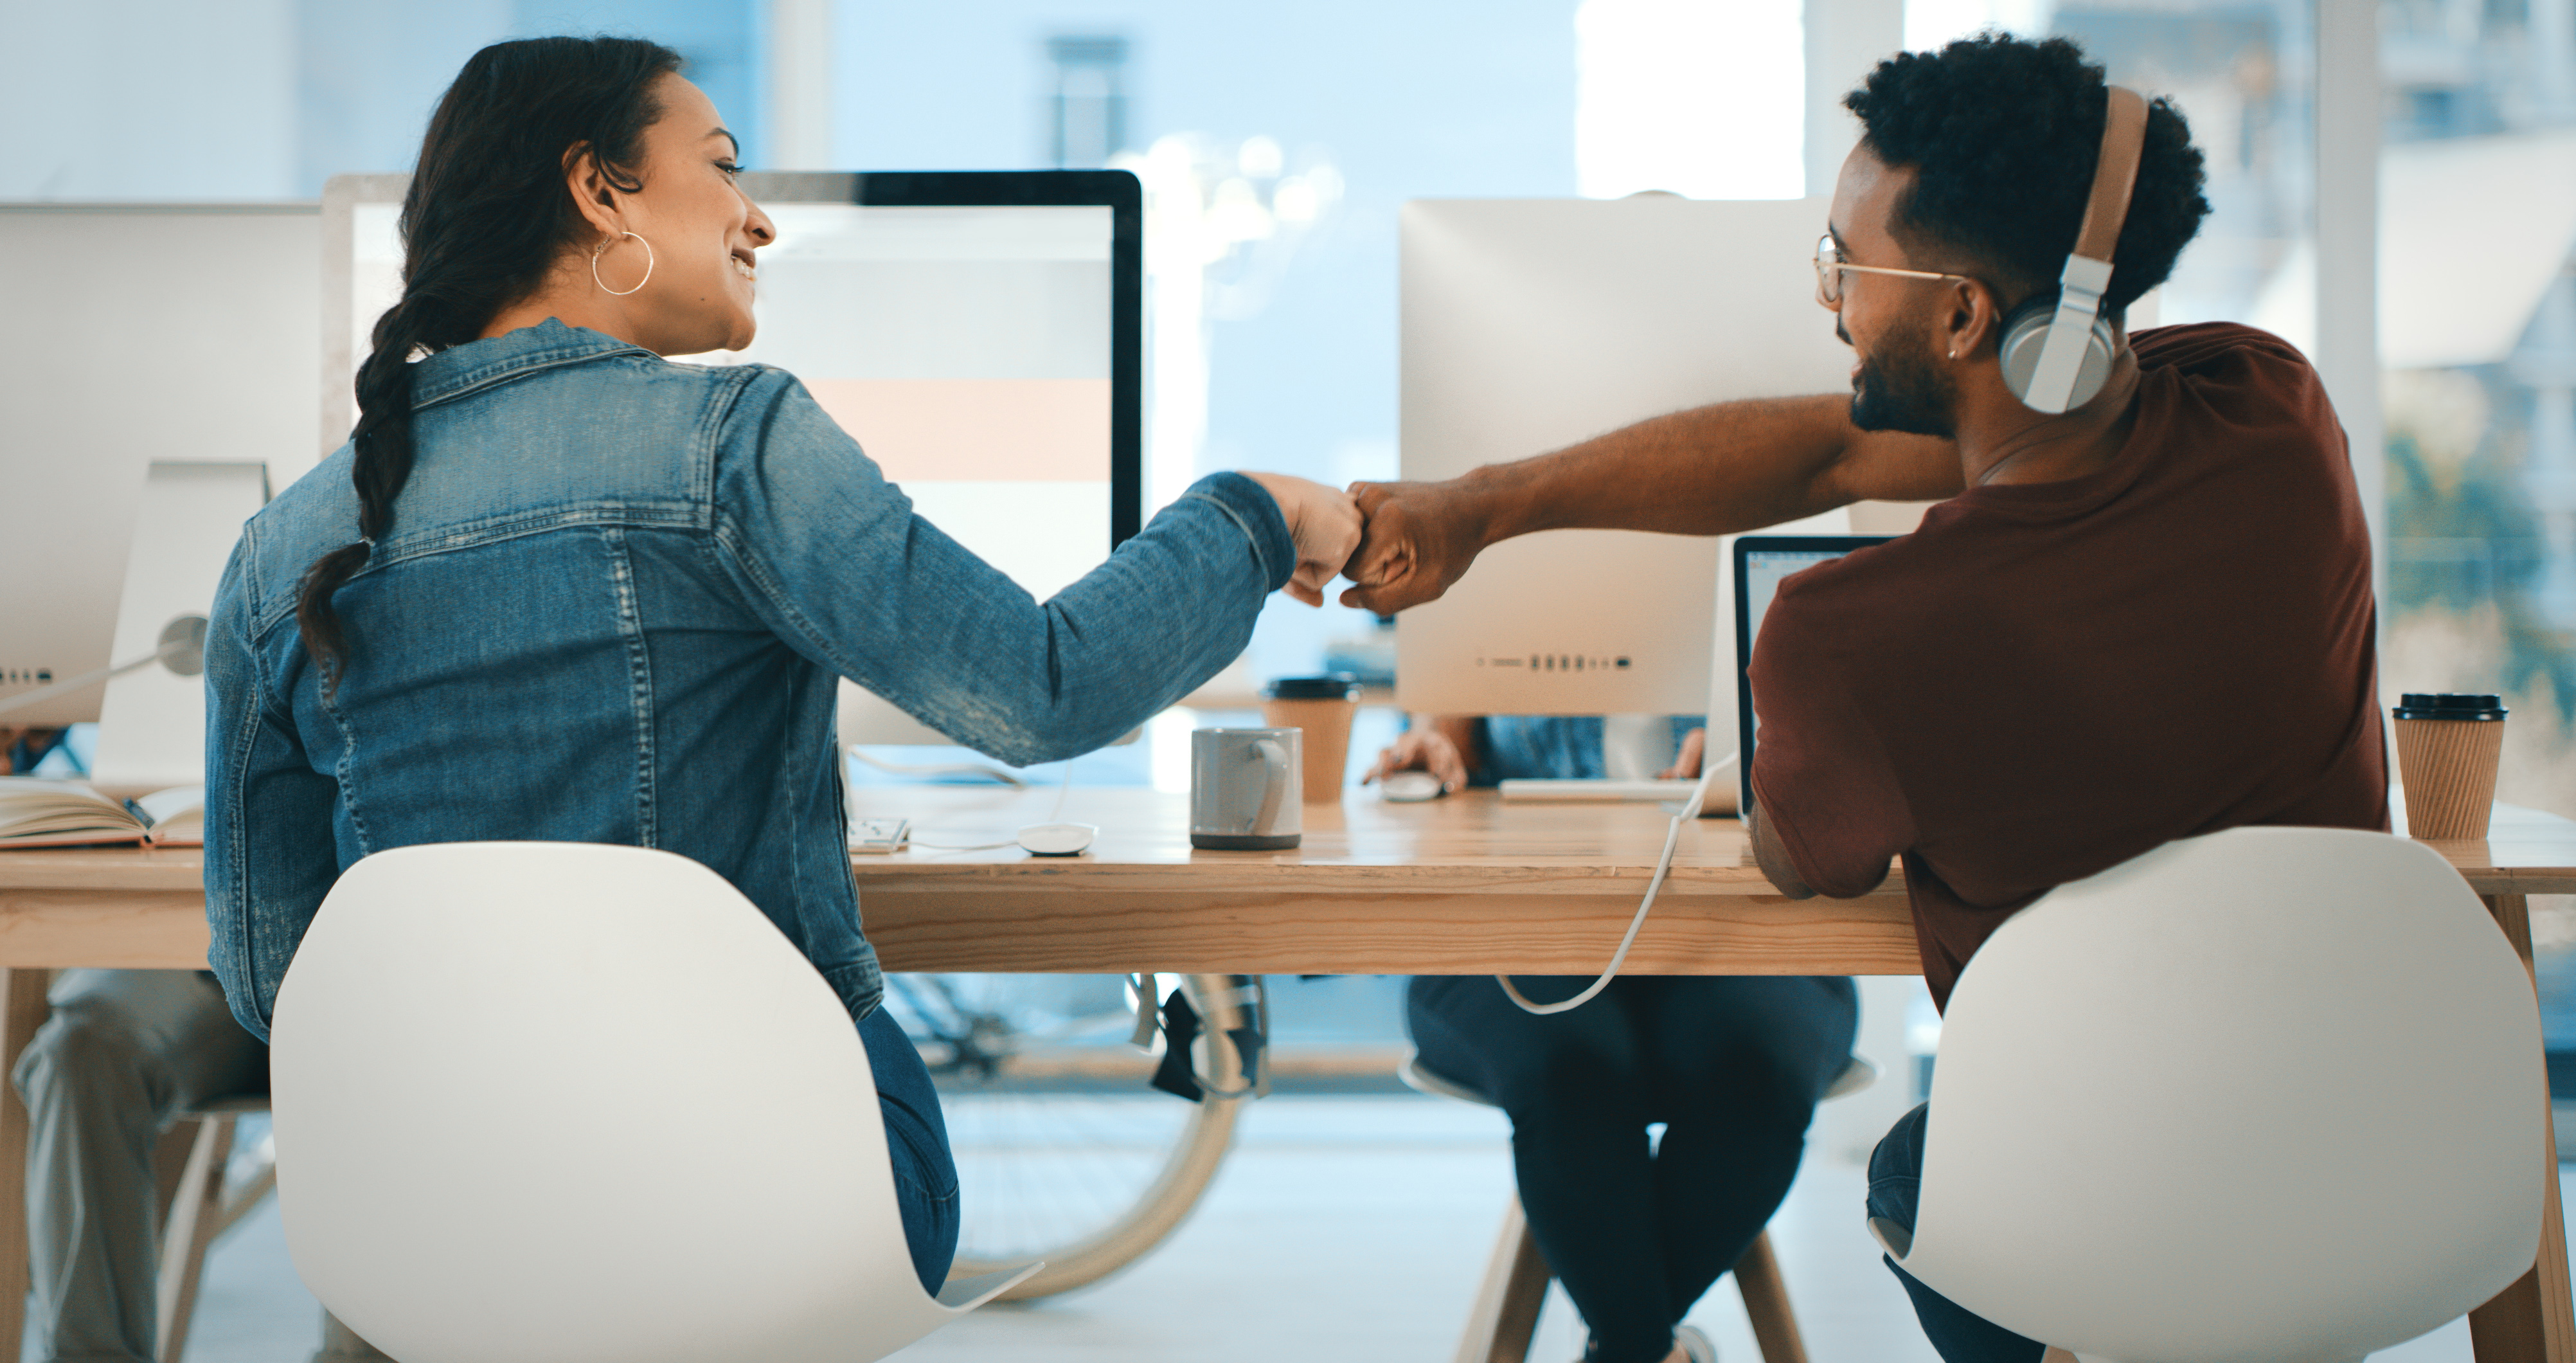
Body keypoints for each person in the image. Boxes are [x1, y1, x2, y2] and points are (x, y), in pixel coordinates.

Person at [200, 35, 1359, 1304]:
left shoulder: (277, 553)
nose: (759, 218)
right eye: (722, 164)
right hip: (769, 1218)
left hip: (435, 1241)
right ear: (600, 190)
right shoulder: (732, 442)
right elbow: (1041, 689)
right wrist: (1250, 516)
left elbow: (276, 986)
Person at [1340, 34, 2379, 1363]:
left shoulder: (1853, 637)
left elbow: (1796, 857)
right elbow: (1838, 449)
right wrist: (1489, 505)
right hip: (2369, 1146)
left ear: (1959, 316)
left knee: (1918, 1167)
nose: (1827, 299)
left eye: (1845, 263)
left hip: (2108, 1189)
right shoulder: (2275, 410)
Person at [1370, 716, 1856, 1363]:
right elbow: (1455, 714)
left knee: (1758, 1069)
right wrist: (1440, 741)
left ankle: (1630, 1344)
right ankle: (1649, 1347)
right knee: (1572, 1068)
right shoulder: (1470, 611)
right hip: (1518, 919)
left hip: (1733, 917)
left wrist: (1760, 743)